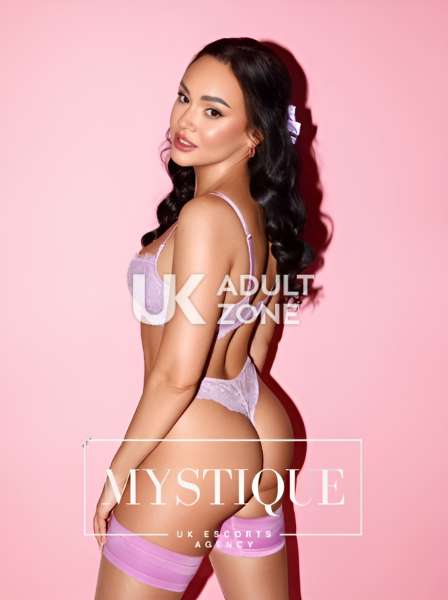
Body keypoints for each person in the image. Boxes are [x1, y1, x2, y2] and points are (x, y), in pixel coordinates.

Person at [93, 37, 314, 599]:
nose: (186, 120)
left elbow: (178, 375)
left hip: (198, 436)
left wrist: (121, 470)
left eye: (213, 111)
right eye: (184, 97)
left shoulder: (206, 217)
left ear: (254, 134)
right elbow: (256, 345)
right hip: (258, 420)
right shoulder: (259, 216)